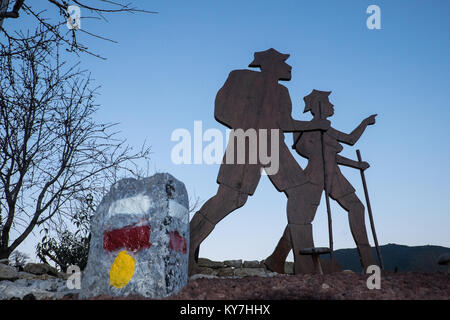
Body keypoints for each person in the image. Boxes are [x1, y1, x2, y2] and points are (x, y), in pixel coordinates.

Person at [188, 49, 330, 275]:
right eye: (285, 63)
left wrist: (315, 124)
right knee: (231, 199)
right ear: (271, 64)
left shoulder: (283, 92)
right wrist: (249, 127)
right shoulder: (240, 77)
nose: (290, 67)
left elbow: (285, 122)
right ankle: (184, 249)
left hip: (274, 145)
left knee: (301, 194)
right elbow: (221, 108)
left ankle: (284, 261)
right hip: (247, 142)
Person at [264, 89, 378, 274]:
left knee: (357, 208)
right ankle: (277, 259)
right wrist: (315, 130)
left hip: (334, 176)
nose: (332, 105)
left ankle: (370, 265)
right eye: (328, 102)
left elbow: (348, 141)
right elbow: (308, 150)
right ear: (319, 106)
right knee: (301, 219)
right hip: (314, 177)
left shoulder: (326, 128)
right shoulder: (310, 128)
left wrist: (357, 163)